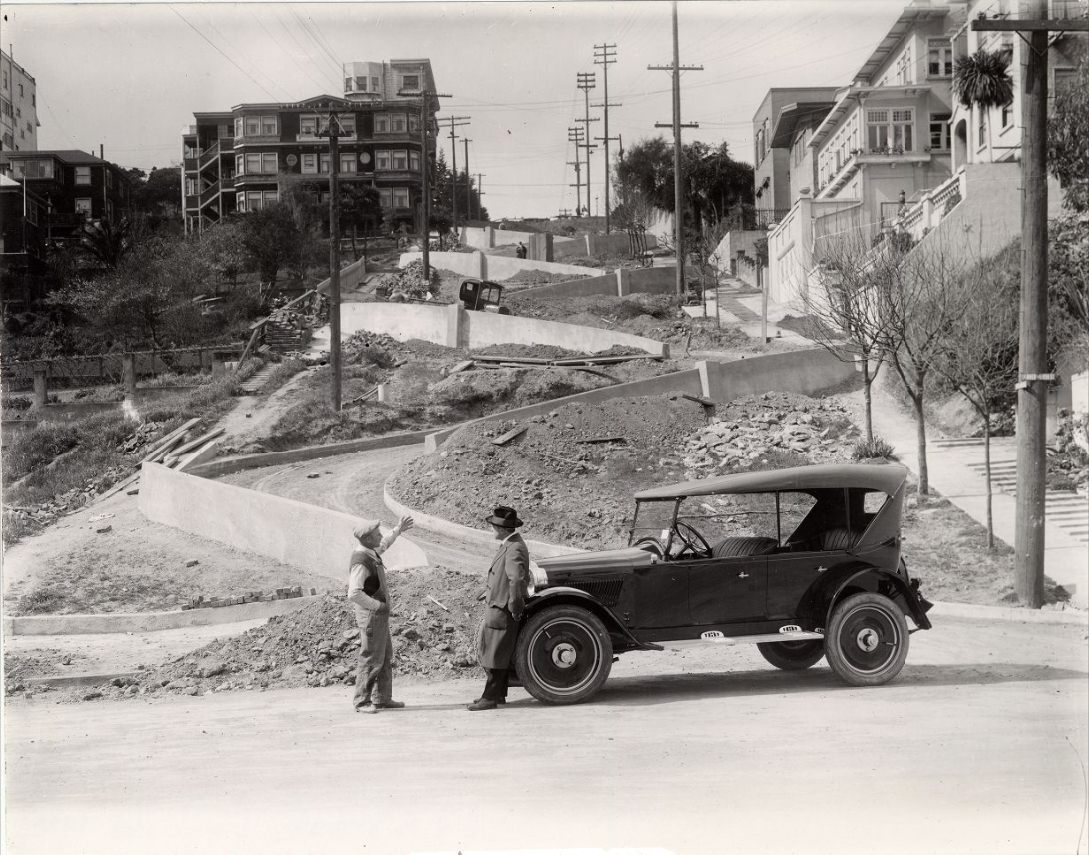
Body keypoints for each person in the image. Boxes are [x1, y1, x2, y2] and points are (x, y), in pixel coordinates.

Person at [347, 515, 414, 713]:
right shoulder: (360, 561)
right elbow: (354, 593)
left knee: (384, 655)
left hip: (378, 615)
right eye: (377, 534)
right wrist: (376, 606)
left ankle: (382, 698)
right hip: (370, 615)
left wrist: (398, 530)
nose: (380, 536)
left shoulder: (370, 551)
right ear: (367, 539)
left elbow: (384, 544)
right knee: (371, 657)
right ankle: (362, 701)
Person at [468, 506, 530, 711]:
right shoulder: (510, 544)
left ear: (503, 529)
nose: (491, 530)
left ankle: (490, 697)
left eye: (493, 526)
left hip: (503, 608)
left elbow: (516, 580)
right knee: (497, 651)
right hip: (499, 605)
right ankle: (498, 694)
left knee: (495, 653)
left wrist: (515, 607)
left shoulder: (514, 547)